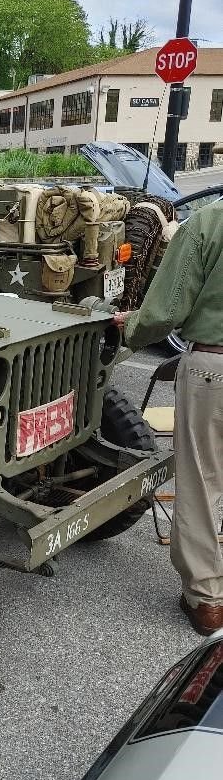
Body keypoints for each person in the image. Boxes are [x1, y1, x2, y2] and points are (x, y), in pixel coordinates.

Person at [113, 200, 223, 635]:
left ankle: (207, 599)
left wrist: (129, 326)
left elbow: (165, 311)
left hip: (215, 367)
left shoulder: (209, 223)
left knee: (201, 481)